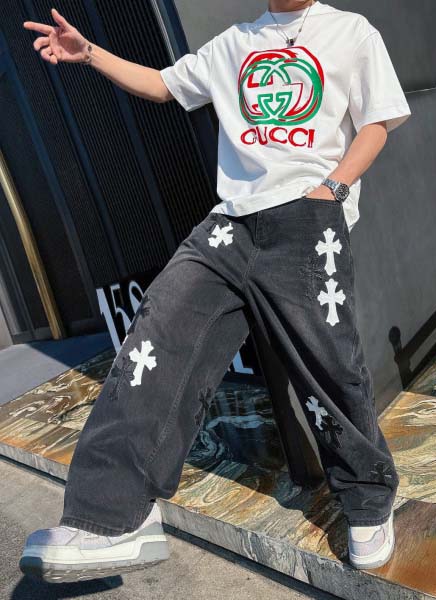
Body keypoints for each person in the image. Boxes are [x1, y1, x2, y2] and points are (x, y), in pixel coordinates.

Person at [20, 0, 411, 583]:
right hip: (231, 222)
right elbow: (162, 85)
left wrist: (331, 189)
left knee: (328, 363)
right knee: (156, 338)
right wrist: (91, 53)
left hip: (306, 217)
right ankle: (111, 517)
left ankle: (368, 496)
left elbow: (376, 122)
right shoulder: (235, 42)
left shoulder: (351, 31)